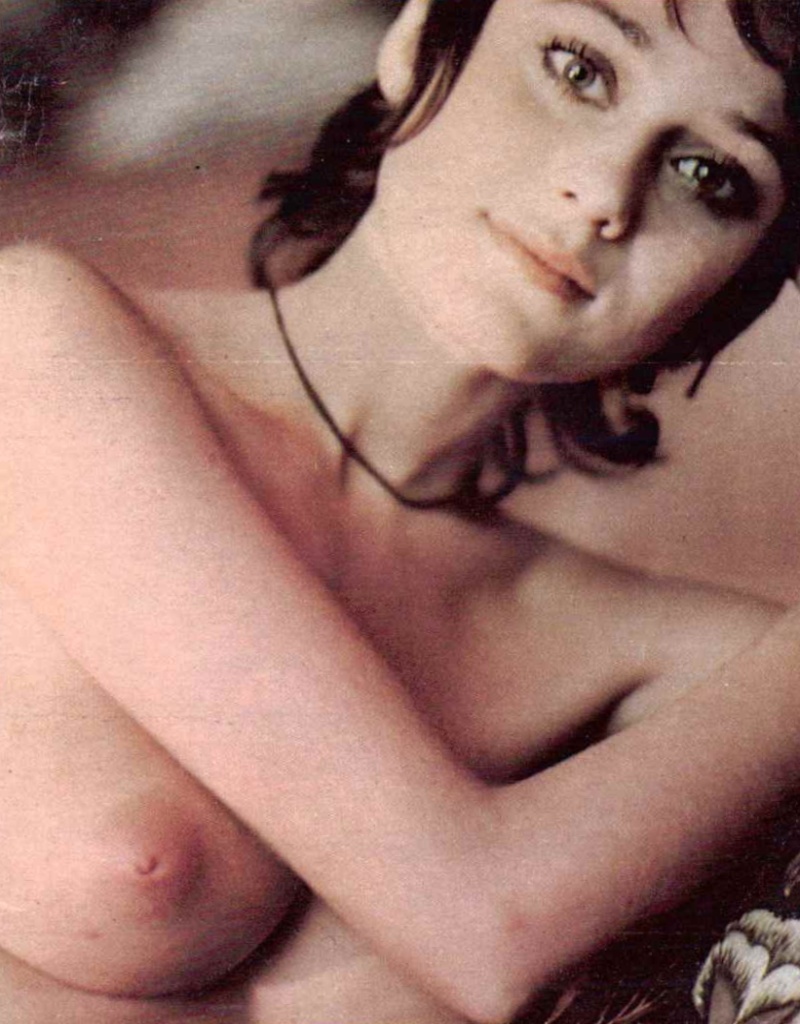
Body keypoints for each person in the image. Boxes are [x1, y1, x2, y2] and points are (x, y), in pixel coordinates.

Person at [0, 0, 798, 1021]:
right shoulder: (39, 341)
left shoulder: (672, 655)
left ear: (750, 270)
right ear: (420, 40)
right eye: (578, 70)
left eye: (709, 175)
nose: (603, 195)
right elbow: (482, 924)